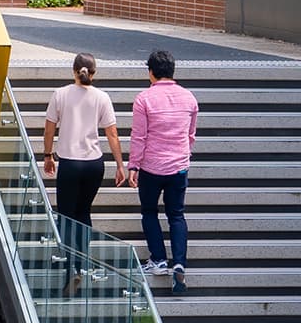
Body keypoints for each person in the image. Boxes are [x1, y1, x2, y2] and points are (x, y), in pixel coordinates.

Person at [41, 53, 121, 296]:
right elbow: (112, 134)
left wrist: (47, 155)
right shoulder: (102, 97)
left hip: (70, 164)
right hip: (95, 164)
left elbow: (49, 127)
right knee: (83, 212)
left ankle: (72, 268)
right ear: (93, 73)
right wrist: (120, 165)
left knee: (66, 216)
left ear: (73, 71)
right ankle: (83, 263)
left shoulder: (61, 94)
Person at [123, 49, 199, 293]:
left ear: (151, 72)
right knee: (176, 214)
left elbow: (139, 136)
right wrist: (183, 156)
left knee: (149, 211)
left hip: (152, 167)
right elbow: (191, 135)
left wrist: (133, 164)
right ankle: (179, 263)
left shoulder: (143, 99)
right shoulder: (189, 98)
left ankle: (158, 259)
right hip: (178, 167)